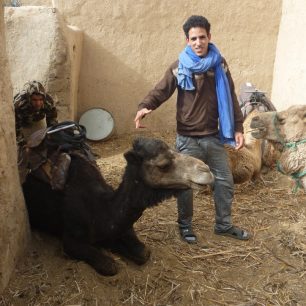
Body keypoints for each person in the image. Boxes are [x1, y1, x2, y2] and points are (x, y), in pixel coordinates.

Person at [134, 15, 250, 243]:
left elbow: (231, 96)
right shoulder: (178, 67)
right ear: (187, 40)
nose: (199, 42)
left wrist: (237, 127)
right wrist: (145, 106)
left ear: (210, 37)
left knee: (224, 181)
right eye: (194, 38)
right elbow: (161, 90)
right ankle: (185, 226)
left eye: (202, 37)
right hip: (187, 139)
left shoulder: (220, 64)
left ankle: (223, 225)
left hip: (213, 137)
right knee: (186, 184)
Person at [14, 80, 58, 147]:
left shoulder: (48, 102)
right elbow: (15, 126)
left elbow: (52, 120)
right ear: (29, 98)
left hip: (38, 119)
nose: (38, 103)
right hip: (23, 121)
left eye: (40, 100)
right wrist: (22, 142)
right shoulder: (19, 104)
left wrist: (51, 136)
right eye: (34, 100)